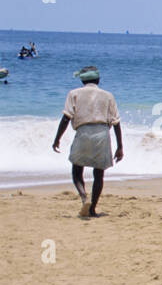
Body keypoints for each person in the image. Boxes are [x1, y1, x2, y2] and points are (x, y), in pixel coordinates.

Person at [51, 66, 124, 218]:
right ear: (98, 80)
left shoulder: (74, 94)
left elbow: (66, 118)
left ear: (83, 80)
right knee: (99, 173)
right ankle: (92, 209)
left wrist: (57, 138)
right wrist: (120, 147)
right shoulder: (108, 95)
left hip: (83, 132)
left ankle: (84, 197)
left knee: (77, 170)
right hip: (102, 133)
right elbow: (116, 122)